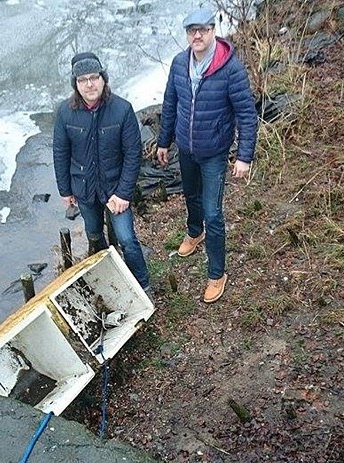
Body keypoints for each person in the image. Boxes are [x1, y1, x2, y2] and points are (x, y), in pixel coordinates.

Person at [156, 8, 258, 303]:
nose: (197, 36)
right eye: (191, 31)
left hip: (214, 151)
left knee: (213, 213)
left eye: (202, 29)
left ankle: (216, 274)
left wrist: (244, 156)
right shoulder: (179, 63)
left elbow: (247, 115)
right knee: (190, 195)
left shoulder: (230, 68)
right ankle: (193, 231)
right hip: (186, 149)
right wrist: (164, 142)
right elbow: (170, 105)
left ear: (213, 30)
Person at [53, 52, 151, 294]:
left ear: (103, 79)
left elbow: (132, 155)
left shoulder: (122, 110)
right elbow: (60, 153)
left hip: (115, 188)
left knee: (127, 239)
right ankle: (109, 280)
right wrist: (65, 190)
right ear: (75, 84)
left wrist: (124, 193)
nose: (90, 84)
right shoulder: (65, 113)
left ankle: (143, 285)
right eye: (83, 79)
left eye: (94, 77)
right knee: (95, 235)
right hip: (84, 189)